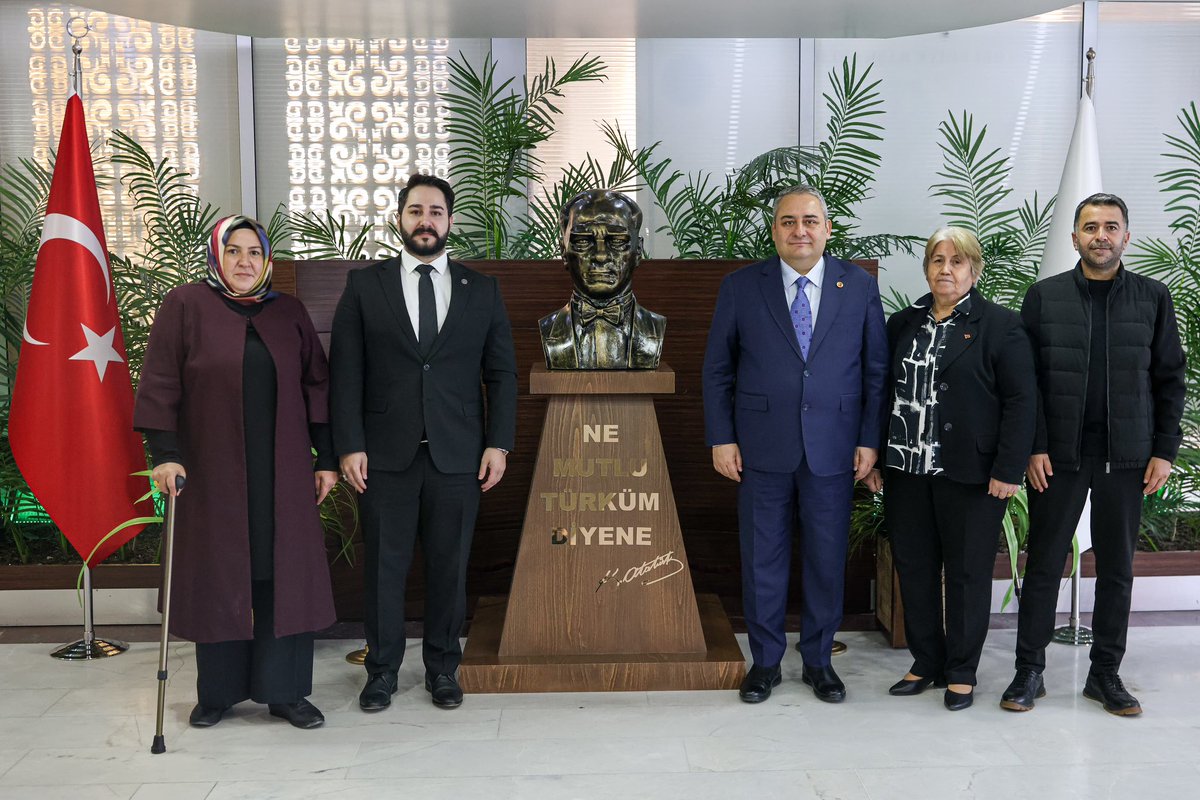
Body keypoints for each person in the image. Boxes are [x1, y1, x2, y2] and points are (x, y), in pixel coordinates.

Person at [134, 215, 337, 730]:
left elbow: (317, 385)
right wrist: (165, 453)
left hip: (284, 470)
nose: (244, 262)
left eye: (254, 252)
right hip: (211, 469)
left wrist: (327, 457)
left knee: (283, 574)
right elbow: (160, 380)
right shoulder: (185, 306)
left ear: (267, 260)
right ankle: (218, 693)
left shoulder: (286, 312)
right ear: (216, 257)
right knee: (218, 573)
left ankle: (286, 692)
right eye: (233, 251)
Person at [331, 173, 518, 712]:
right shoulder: (365, 286)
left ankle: (442, 670)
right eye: (416, 211)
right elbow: (346, 373)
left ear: (450, 221)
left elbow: (501, 374)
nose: (426, 221)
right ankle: (382, 673)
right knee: (384, 570)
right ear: (400, 219)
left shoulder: (481, 290)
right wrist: (348, 444)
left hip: (459, 454)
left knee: (449, 568)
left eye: (436, 212)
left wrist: (498, 443)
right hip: (383, 455)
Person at [702, 185, 888, 704]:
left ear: (828, 229)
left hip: (835, 446)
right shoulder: (741, 286)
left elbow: (876, 371)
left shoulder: (860, 285)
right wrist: (722, 437)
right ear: (775, 230)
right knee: (763, 555)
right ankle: (764, 663)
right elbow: (718, 370)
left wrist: (870, 441)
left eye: (810, 221)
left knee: (826, 558)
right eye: (788, 221)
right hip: (760, 447)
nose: (799, 230)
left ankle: (819, 660)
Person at [1001, 193, 1186, 717]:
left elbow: (1170, 380)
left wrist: (1164, 451)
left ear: (1126, 236)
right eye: (1090, 227)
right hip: (1058, 456)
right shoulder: (1043, 297)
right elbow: (1026, 383)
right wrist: (1034, 445)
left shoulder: (1153, 297)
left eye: (1110, 227)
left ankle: (1104, 673)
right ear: (1074, 236)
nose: (1100, 235)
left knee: (1117, 570)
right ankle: (1028, 670)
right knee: (1042, 565)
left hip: (1128, 457)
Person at [873, 227, 1036, 711]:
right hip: (906, 471)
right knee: (916, 569)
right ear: (926, 268)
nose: (946, 269)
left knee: (966, 574)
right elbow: (882, 393)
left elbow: (1022, 401)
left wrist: (1009, 469)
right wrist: (876, 457)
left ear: (974, 270)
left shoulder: (1001, 326)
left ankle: (962, 671)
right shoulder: (902, 323)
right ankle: (927, 662)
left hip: (972, 474)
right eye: (937, 260)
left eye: (957, 261)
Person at [539, 188, 665, 369]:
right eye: (583, 241)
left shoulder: (655, 328)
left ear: (638, 252)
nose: (600, 256)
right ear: (563, 252)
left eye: (617, 241)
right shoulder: (549, 329)